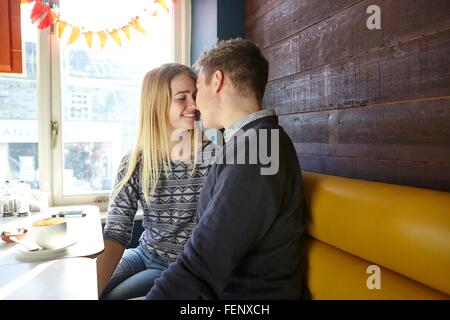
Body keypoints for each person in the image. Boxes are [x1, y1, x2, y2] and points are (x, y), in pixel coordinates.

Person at [146, 38, 309, 299]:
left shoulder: (260, 149)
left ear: (217, 80)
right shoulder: (249, 142)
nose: (196, 105)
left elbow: (202, 264)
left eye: (197, 91)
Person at [97, 63, 213, 300]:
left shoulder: (214, 157)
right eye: (182, 98)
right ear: (158, 105)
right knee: (83, 288)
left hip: (179, 266)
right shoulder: (136, 159)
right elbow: (116, 232)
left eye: (195, 96)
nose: (194, 105)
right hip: (143, 253)